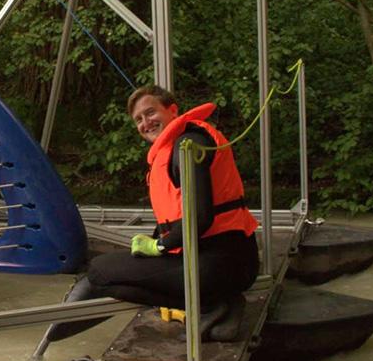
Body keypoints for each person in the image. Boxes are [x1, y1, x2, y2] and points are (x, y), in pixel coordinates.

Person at [41, 85, 260, 347]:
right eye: (139, 119)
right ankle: (216, 302)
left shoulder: (188, 146)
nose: (146, 123)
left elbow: (200, 219)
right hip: (221, 263)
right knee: (107, 281)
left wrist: (158, 246)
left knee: (99, 270)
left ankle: (214, 303)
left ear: (173, 110)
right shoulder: (178, 146)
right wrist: (159, 243)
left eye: (150, 112)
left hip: (221, 264)